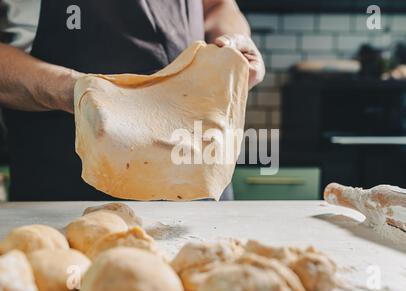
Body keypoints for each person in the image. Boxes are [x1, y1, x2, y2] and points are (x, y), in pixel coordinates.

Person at [0, 0, 265, 201]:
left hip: (198, 177)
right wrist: (78, 91)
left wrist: (234, 49)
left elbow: (218, 5)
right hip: (70, 192)